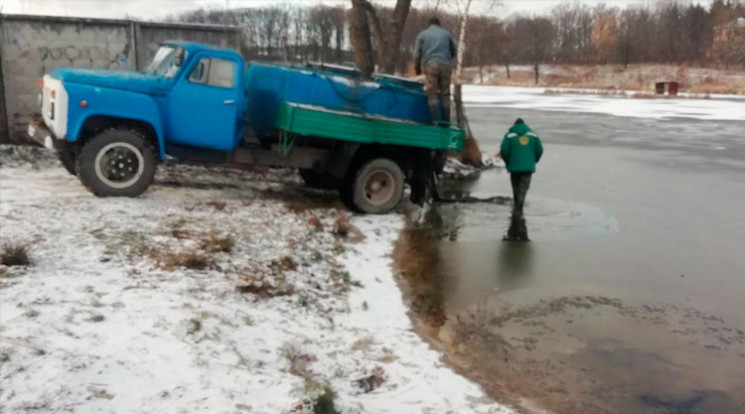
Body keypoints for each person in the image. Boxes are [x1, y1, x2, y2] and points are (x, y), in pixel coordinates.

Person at [500, 118, 543, 240]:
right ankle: (519, 208)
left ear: (514, 125)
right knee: (523, 188)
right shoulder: (533, 135)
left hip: (514, 168)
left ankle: (517, 208)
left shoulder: (509, 136)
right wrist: (533, 160)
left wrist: (509, 162)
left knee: (515, 186)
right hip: (527, 169)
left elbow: (504, 150)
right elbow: (539, 150)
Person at [414, 17, 457, 125]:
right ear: (439, 24)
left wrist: (417, 67)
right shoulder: (447, 34)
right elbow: (454, 49)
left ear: (429, 24)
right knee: (445, 94)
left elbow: (416, 54)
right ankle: (446, 122)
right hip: (446, 65)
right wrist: (449, 58)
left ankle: (436, 121)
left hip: (431, 64)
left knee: (432, 94)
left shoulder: (422, 35)